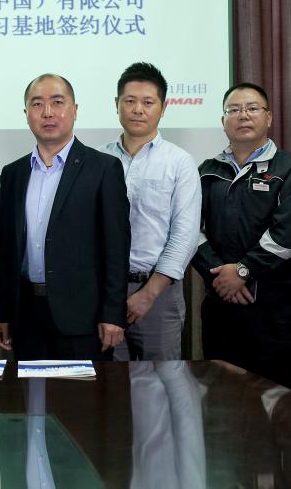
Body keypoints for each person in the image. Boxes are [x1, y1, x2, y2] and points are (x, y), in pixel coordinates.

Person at [0, 73, 131, 360]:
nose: (48, 112)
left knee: (83, 391)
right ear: (26, 113)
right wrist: (2, 312)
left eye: (57, 102)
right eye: (37, 104)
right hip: (26, 315)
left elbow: (116, 248)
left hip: (83, 318)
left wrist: (112, 314)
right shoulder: (13, 173)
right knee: (31, 389)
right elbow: (6, 251)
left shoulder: (103, 168)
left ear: (75, 110)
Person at [190, 82, 291, 391]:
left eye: (252, 108)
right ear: (223, 121)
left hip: (273, 308)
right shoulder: (207, 171)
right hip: (221, 303)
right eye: (234, 110)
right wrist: (221, 276)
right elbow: (190, 229)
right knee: (221, 400)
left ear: (268, 117)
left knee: (276, 401)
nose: (243, 115)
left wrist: (244, 270)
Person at [100, 63, 202, 361]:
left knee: (160, 382)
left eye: (148, 102)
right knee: (110, 383)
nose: (138, 110)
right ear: (116, 104)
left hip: (159, 293)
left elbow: (185, 235)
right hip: (105, 292)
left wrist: (148, 293)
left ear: (163, 107)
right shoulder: (97, 159)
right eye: (129, 101)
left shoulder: (179, 162)